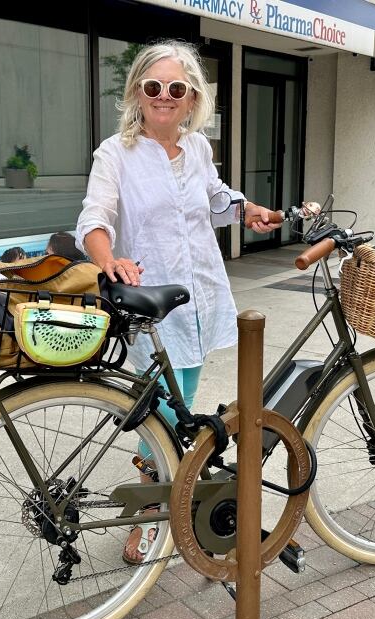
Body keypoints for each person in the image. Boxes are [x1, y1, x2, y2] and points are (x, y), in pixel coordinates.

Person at [75, 40, 285, 564]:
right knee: (162, 415)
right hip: (149, 302)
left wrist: (250, 211)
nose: (164, 97)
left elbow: (215, 198)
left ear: (191, 99)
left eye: (176, 89)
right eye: (153, 87)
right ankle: (150, 517)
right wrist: (109, 261)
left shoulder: (197, 149)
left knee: (177, 410)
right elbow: (94, 221)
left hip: (198, 297)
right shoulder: (114, 154)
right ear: (137, 95)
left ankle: (169, 500)